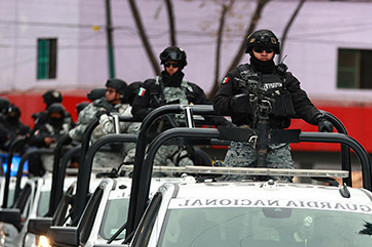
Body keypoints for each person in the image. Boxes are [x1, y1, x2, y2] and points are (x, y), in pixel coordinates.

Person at [213, 29, 334, 178]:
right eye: (259, 49)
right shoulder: (236, 76)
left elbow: (302, 103)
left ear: (274, 52)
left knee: (282, 184)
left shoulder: (285, 79)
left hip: (277, 142)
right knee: (232, 182)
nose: (264, 53)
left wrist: (319, 119)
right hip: (244, 140)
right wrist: (239, 103)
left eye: (269, 50)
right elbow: (218, 104)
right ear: (251, 51)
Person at [131, 46, 226, 168]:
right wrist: (157, 115)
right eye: (168, 64)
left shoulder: (191, 90)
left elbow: (209, 112)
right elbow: (137, 109)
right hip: (154, 142)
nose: (171, 68)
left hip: (181, 143)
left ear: (181, 66)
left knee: (188, 170)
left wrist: (226, 125)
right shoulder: (151, 86)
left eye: (175, 65)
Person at [69, 78, 128, 143]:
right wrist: (100, 110)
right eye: (107, 91)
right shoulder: (100, 103)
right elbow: (82, 118)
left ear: (120, 94)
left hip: (116, 143)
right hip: (97, 143)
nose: (107, 94)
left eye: (110, 91)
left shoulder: (127, 108)